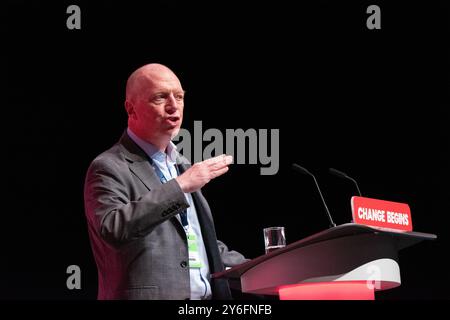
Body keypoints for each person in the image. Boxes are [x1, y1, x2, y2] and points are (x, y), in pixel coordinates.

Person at [83, 63, 248, 300]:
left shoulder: (179, 164)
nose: (174, 106)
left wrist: (265, 266)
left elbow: (197, 240)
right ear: (131, 109)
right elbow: (113, 228)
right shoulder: (109, 166)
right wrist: (180, 186)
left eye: (179, 97)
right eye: (160, 97)